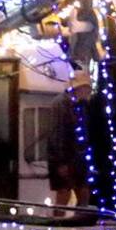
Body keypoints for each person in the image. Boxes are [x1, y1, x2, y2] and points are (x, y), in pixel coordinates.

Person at [46, 79, 92, 209]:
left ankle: (78, 219)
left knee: (81, 191)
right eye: (87, 90)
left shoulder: (77, 104)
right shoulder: (62, 103)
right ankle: (57, 223)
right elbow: (57, 132)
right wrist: (61, 162)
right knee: (64, 192)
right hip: (65, 157)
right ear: (80, 88)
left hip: (74, 157)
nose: (88, 93)